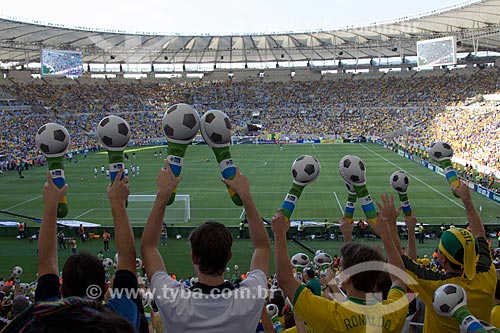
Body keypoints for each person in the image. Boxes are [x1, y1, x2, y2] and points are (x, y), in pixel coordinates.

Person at [141, 161, 271, 332]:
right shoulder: (248, 298)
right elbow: (262, 247)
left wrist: (163, 195)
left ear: (193, 256)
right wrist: (245, 195)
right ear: (229, 256)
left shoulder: (173, 299)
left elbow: (148, 248)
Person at [271, 193, 409, 332]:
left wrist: (279, 234)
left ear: (347, 277)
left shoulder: (331, 315)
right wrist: (386, 235)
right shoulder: (392, 313)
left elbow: (285, 280)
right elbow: (399, 280)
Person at [31, 170, 141, 331]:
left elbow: (46, 261)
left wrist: (50, 205)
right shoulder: (121, 315)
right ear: (104, 288)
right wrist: (117, 202)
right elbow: (127, 257)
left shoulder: (47, 316)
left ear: (62, 290)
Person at [399, 182, 497, 333]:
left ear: (442, 259)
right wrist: (467, 201)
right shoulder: (488, 275)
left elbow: (400, 261)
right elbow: (480, 235)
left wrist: (398, 229)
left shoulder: (435, 285)